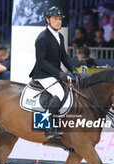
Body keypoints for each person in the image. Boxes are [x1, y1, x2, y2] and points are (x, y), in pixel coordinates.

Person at [29, 6, 78, 138]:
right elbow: (41, 62)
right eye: (55, 19)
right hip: (43, 74)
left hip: (54, 72)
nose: (58, 21)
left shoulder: (60, 36)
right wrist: (59, 73)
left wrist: (73, 70)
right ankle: (49, 127)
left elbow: (64, 56)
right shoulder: (42, 38)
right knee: (59, 92)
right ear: (47, 20)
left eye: (60, 19)